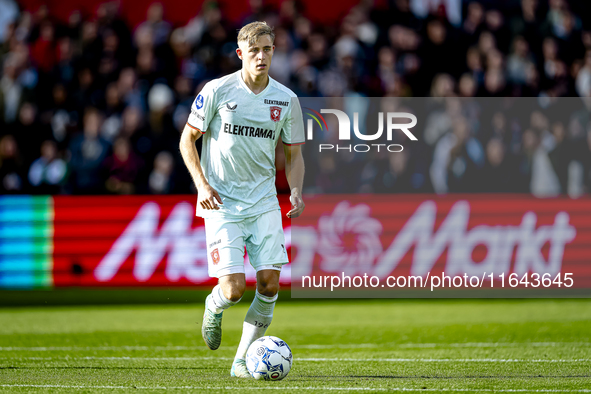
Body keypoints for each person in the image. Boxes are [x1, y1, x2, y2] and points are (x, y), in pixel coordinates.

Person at [179, 21, 305, 378]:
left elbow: (294, 155)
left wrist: (295, 189)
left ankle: (240, 363)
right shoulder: (218, 90)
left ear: (274, 52)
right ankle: (214, 306)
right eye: (254, 51)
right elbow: (187, 140)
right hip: (222, 203)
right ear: (240, 54)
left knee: (268, 284)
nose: (261, 56)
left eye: (267, 50)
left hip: (264, 201)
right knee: (233, 290)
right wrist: (202, 186)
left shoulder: (286, 100)